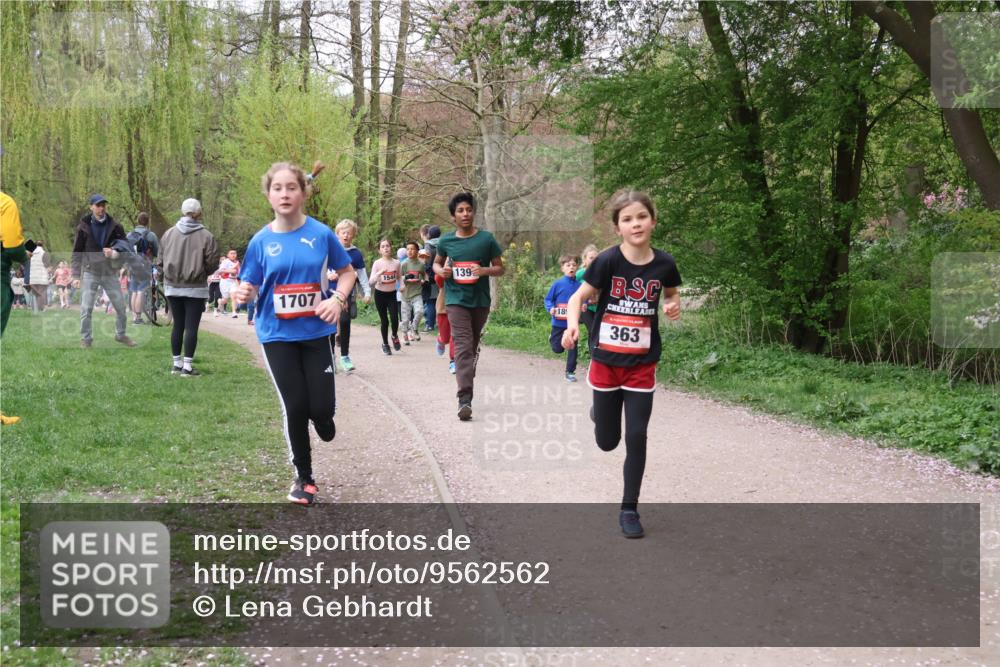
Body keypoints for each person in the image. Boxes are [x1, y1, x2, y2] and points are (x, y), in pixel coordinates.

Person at [562, 190, 682, 539]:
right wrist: (572, 325)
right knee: (607, 441)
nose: (636, 224)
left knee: (637, 435)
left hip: (642, 363)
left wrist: (673, 306)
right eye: (627, 219)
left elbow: (672, 294)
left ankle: (629, 508)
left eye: (641, 217)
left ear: (653, 221)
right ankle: (600, 414)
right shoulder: (608, 262)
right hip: (606, 361)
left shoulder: (665, 264)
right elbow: (577, 297)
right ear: (618, 228)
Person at [234, 162, 355, 506]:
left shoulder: (321, 234)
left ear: (304, 192)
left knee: (321, 408)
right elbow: (251, 284)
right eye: (277, 188)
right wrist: (244, 293)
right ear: (268, 195)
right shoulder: (260, 241)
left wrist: (337, 298)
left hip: (317, 331)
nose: (284, 194)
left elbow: (346, 273)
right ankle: (304, 478)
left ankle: (325, 417)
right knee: (295, 406)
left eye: (291, 187)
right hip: (276, 334)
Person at [433, 192, 504, 421]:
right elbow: (435, 263)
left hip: (480, 301)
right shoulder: (446, 241)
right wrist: (440, 271)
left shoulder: (486, 239)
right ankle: (464, 399)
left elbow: (500, 268)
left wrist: (484, 271)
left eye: (468, 210)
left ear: (474, 212)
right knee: (463, 345)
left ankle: (467, 375)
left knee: (470, 347)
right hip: (455, 301)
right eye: (460, 211)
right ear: (453, 216)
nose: (465, 214)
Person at [160, 198, 219, 376]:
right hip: (195, 287)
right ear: (199, 213)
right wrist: (202, 272)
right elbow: (212, 262)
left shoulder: (168, 234)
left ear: (182, 211)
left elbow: (160, 260)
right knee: (191, 327)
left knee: (178, 325)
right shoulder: (207, 236)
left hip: (173, 286)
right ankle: (187, 366)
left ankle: (176, 364)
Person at [71, 194, 136, 348]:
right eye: (98, 205)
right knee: (86, 308)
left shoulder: (115, 226)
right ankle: (86, 339)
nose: (101, 208)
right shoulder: (83, 226)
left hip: (109, 272)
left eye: (103, 205)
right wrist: (75, 275)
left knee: (120, 307)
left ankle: (121, 335)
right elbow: (77, 252)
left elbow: (126, 246)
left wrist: (114, 252)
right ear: (91, 207)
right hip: (90, 272)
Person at [329, 219, 371, 373]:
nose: (346, 235)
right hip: (329, 292)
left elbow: (361, 274)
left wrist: (367, 291)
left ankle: (345, 356)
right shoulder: (330, 250)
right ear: (337, 233)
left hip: (345, 293)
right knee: (331, 325)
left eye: (349, 232)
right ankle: (331, 356)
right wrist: (328, 274)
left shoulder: (355, 253)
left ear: (353, 235)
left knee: (345, 322)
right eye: (343, 232)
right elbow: (321, 269)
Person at [545, 254, 582, 382]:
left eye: (573, 265)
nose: (571, 267)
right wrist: (551, 308)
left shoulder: (579, 286)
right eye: (568, 265)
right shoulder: (558, 284)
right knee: (557, 349)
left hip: (572, 324)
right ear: (563, 268)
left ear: (577, 268)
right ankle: (552, 338)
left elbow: (584, 299)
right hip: (558, 323)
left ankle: (570, 371)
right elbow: (548, 299)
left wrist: (584, 305)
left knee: (572, 347)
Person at [370, 239, 401, 355]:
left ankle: (394, 335)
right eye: (383, 246)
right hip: (380, 295)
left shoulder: (397, 263)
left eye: (387, 246)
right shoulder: (377, 263)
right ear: (379, 250)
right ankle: (385, 344)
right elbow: (371, 281)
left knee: (394, 318)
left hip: (392, 294)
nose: (386, 248)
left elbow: (399, 277)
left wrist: (401, 285)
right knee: (384, 321)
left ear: (391, 247)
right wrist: (379, 273)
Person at [127, 212, 160, 324]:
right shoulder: (151, 235)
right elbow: (156, 251)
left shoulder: (129, 235)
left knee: (134, 291)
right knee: (141, 291)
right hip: (145, 265)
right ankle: (138, 317)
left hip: (132, 266)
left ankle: (133, 317)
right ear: (147, 222)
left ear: (137, 221)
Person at [399, 240, 426, 344]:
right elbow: (398, 278)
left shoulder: (421, 265)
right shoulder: (404, 264)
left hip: (417, 293)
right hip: (405, 294)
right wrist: (405, 278)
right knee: (405, 319)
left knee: (420, 311)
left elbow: (424, 275)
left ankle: (414, 327)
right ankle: (405, 334)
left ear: (417, 251)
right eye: (408, 249)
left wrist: (423, 280)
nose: (410, 251)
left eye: (412, 249)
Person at [576, 243, 599, 353]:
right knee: (593, 329)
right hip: (585, 308)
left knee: (595, 331)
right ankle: (594, 354)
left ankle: (594, 355)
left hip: (598, 307)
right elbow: (572, 286)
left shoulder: (602, 273)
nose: (594, 260)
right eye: (591, 258)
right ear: (584, 260)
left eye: (596, 258)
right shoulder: (580, 274)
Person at [421, 225, 441, 331]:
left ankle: (430, 324)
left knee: (430, 301)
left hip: (431, 276)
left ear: (429, 235)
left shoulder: (428, 246)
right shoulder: (443, 244)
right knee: (440, 299)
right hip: (442, 275)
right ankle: (440, 323)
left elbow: (424, 262)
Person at [27, 241, 51, 313]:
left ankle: (35, 309)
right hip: (41, 277)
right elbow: (47, 265)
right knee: (41, 293)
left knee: (36, 293)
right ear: (42, 245)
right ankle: (41, 308)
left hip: (32, 277)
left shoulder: (30, 254)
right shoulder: (44, 253)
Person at [216, 249, 240, 318]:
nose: (233, 255)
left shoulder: (237, 263)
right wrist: (230, 271)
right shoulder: (225, 262)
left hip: (233, 281)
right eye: (231, 253)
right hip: (225, 281)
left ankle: (234, 313)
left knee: (234, 297)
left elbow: (239, 273)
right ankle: (220, 302)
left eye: (235, 253)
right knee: (225, 299)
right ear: (228, 255)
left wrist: (238, 281)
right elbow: (220, 271)